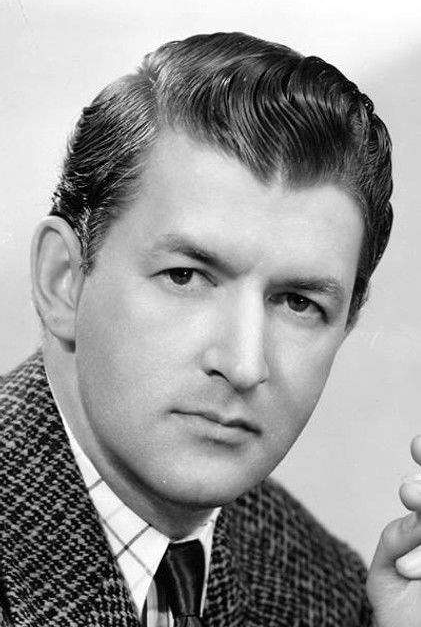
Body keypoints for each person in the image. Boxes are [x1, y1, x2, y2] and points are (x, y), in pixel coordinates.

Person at [1, 31, 420, 627]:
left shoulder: (329, 592)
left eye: (298, 303)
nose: (244, 364)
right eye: (186, 276)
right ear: (63, 280)